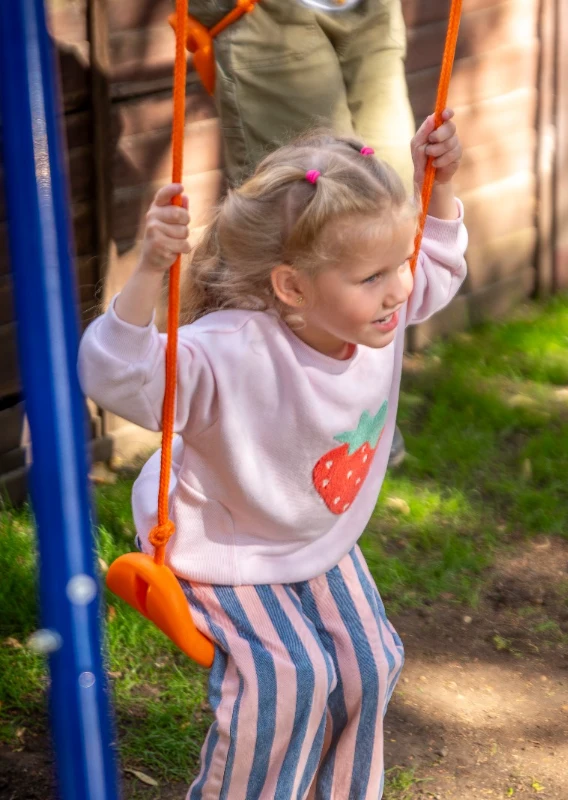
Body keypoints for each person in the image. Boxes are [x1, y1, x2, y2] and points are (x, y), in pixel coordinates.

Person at [78, 111, 465, 798]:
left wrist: (441, 187)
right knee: (292, 679)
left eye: (397, 265)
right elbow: (115, 376)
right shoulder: (231, 350)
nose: (401, 290)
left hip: (316, 536)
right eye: (374, 276)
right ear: (291, 287)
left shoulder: (376, 310)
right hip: (223, 540)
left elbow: (433, 265)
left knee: (373, 663)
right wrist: (148, 273)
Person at [190, 0, 418, 465]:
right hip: (264, 12)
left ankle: (356, 401)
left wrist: (447, 187)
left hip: (368, 8)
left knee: (384, 205)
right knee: (309, 218)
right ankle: (285, 430)